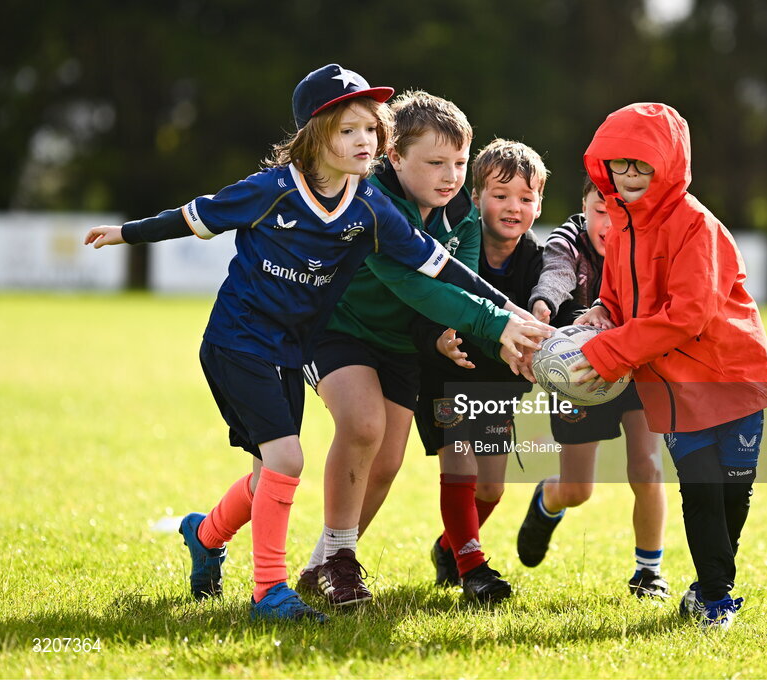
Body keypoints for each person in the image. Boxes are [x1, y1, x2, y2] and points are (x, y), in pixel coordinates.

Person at [83, 64, 548, 622]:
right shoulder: (318, 193)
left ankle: (217, 537)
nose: (363, 141)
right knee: (316, 446)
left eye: (368, 130)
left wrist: (506, 316)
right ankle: (286, 584)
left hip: (335, 345)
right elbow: (200, 215)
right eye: (348, 130)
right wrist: (127, 232)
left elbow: (447, 271)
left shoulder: (397, 208)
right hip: (292, 335)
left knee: (319, 467)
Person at [296, 92, 550, 606]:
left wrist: (505, 345)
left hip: (399, 345)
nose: (450, 175)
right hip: (337, 328)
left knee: (386, 464)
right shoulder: (368, 202)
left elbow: (467, 289)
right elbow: (414, 286)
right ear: (394, 156)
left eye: (459, 163)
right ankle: (342, 565)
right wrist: (499, 324)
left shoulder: (464, 214)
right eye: (435, 163)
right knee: (363, 425)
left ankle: (318, 566)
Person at [572, 103, 767, 630]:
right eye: (619, 164)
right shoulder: (618, 226)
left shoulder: (697, 226)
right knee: (702, 490)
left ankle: (711, 586)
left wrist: (609, 352)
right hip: (670, 388)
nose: (628, 176)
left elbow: (688, 315)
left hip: (733, 375)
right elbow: (621, 298)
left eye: (642, 165)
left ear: (669, 165)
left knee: (734, 491)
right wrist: (602, 313)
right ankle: (715, 600)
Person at [516, 176, 670, 601]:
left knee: (648, 467)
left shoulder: (647, 243)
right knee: (578, 490)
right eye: (598, 210)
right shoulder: (566, 242)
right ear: (584, 207)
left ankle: (649, 572)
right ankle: (549, 498)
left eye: (617, 211)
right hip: (579, 375)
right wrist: (542, 306)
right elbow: (556, 275)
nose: (607, 221)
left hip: (639, 367)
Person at [414, 139, 548, 603]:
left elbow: (559, 315)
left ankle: (449, 547)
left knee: (490, 487)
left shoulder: (537, 259)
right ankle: (475, 571)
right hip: (446, 375)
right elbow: (422, 298)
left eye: (526, 199)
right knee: (460, 459)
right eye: (501, 195)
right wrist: (436, 337)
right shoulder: (451, 243)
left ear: (539, 204)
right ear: (475, 198)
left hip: (498, 386)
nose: (514, 207)